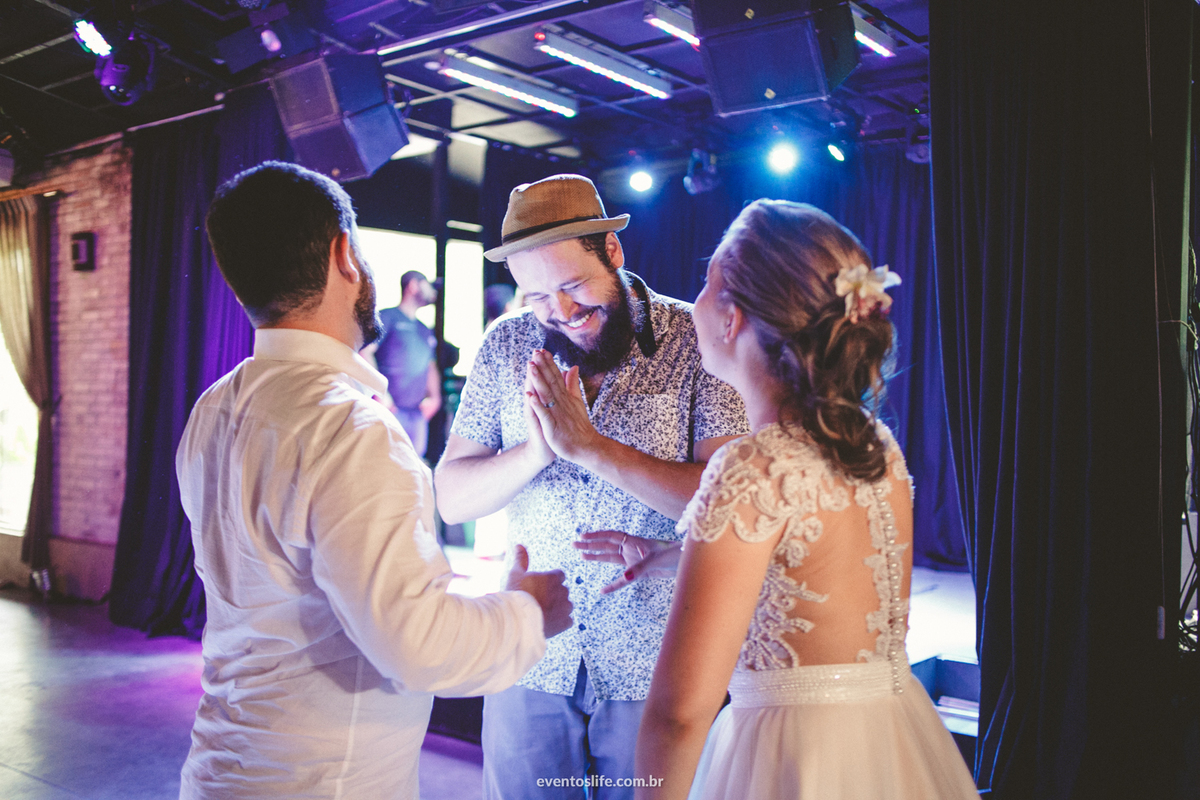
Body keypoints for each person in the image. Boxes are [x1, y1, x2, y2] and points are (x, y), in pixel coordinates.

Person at [177, 161, 573, 800]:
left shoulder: (214, 408)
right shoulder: (351, 430)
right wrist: (529, 611)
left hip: (221, 768)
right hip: (326, 781)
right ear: (344, 254)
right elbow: (418, 646)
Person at [629, 201, 978, 798]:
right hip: (889, 741)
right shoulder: (876, 444)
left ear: (733, 317)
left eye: (706, 286)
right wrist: (674, 555)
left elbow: (679, 713)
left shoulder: (751, 465)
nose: (696, 305)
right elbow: (815, 568)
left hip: (791, 755)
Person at [435, 174, 748, 800]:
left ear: (613, 251)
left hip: (656, 661)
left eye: (574, 286)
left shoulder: (695, 341)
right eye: (537, 297)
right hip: (531, 654)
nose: (562, 312)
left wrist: (594, 450)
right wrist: (534, 453)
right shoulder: (505, 344)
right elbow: (450, 497)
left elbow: (731, 501)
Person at [362, 269, 441, 457]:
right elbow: (365, 352)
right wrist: (381, 393)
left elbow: (430, 365)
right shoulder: (387, 317)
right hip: (390, 410)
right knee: (386, 466)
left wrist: (435, 398)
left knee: (414, 468)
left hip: (417, 415)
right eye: (426, 284)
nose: (432, 291)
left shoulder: (424, 329)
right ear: (413, 286)